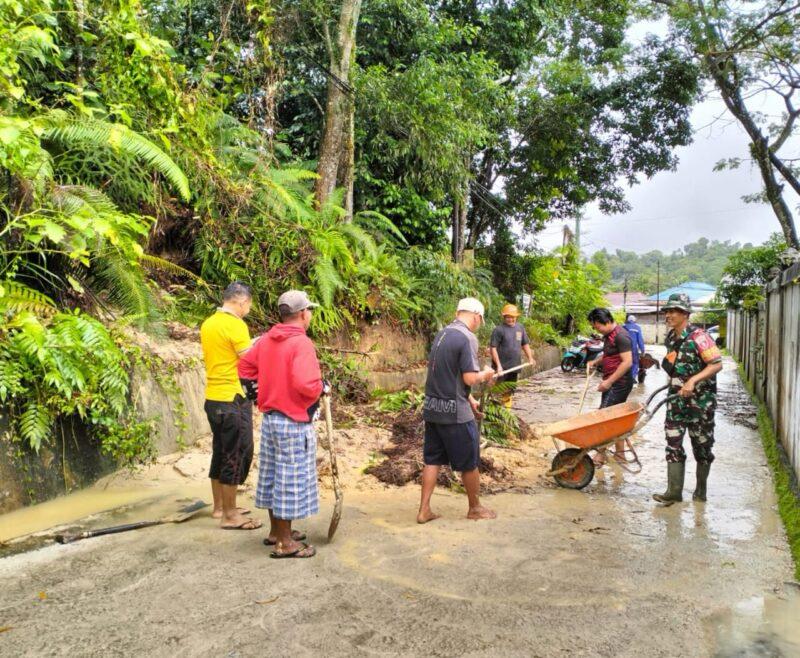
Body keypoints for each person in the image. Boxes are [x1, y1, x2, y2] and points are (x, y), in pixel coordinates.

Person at [238, 290, 323, 558]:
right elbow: (305, 384)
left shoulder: (266, 340)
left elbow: (245, 367)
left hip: (271, 419)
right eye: (309, 310)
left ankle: (277, 531)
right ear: (302, 314)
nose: (309, 315)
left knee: (273, 474)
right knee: (289, 478)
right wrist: (322, 388)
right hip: (293, 421)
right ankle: (285, 543)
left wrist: (258, 392)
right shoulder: (301, 343)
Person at [417, 297, 498, 524]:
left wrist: (469, 397)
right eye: (480, 320)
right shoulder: (467, 337)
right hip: (455, 413)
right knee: (470, 461)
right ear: (476, 316)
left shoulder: (441, 334)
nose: (479, 325)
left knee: (432, 460)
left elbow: (446, 374)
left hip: (432, 408)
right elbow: (470, 377)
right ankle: (475, 508)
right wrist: (486, 374)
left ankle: (424, 510)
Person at [200, 282, 262, 531]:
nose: (248, 309)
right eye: (248, 305)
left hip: (213, 398)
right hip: (232, 397)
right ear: (241, 302)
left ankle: (220, 507)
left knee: (221, 451)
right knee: (237, 454)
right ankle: (230, 515)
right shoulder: (236, 325)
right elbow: (249, 362)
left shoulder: (209, 323)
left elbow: (228, 354)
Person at [653, 293, 722, 506]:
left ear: (685, 314)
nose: (668, 315)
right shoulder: (671, 338)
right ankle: (674, 491)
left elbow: (716, 364)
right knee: (673, 443)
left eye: (674, 311)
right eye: (667, 311)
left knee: (702, 446)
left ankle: (701, 490)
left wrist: (692, 381)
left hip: (700, 403)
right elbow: (674, 363)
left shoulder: (700, 337)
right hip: (676, 401)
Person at [586, 307, 633, 465]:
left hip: (619, 384)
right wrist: (595, 362)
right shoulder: (609, 336)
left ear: (604, 321)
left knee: (603, 418)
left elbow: (627, 362)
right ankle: (620, 454)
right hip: (614, 382)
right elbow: (608, 355)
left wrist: (609, 382)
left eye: (596, 325)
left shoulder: (621, 336)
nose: (596, 329)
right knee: (615, 418)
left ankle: (601, 454)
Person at [489, 304, 536, 408]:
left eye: (512, 317)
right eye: (508, 317)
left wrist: (530, 358)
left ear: (516, 317)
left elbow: (525, 344)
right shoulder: (499, 330)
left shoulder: (520, 328)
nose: (510, 319)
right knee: (498, 391)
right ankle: (494, 413)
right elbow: (493, 348)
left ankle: (507, 412)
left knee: (509, 390)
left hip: (514, 366)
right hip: (502, 368)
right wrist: (498, 366)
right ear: (504, 317)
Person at [623, 314, 646, 384]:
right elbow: (640, 340)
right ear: (634, 320)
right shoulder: (637, 327)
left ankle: (624, 377)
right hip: (633, 349)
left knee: (624, 362)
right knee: (635, 363)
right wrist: (642, 350)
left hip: (623, 348)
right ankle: (632, 377)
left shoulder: (623, 327)